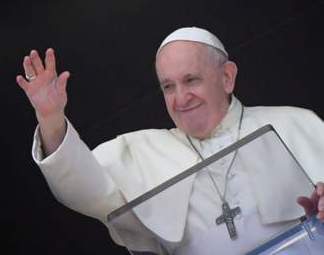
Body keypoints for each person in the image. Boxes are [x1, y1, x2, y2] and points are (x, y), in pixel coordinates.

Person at [17, 27, 324, 254]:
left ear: (227, 77)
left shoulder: (295, 123)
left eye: (191, 80)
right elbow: (84, 187)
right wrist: (51, 119)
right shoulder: (141, 152)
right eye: (168, 86)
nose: (180, 98)